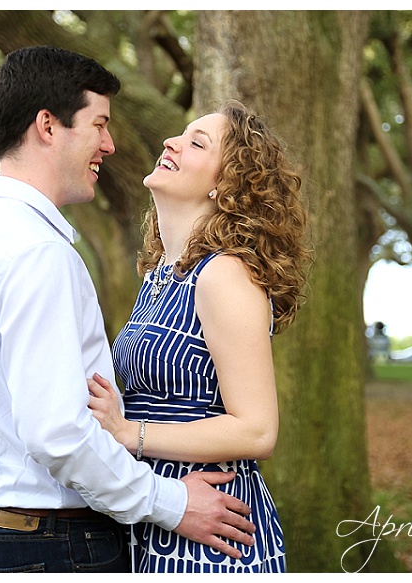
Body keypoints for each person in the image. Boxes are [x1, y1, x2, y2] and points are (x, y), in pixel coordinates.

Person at [0, 46, 256, 574]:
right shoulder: (38, 252)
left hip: (5, 530)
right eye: (99, 124)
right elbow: (56, 433)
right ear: (48, 126)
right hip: (54, 542)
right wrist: (171, 503)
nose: (109, 144)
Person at [87, 100, 312, 572]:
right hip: (157, 516)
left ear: (225, 185)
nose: (171, 142)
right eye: (180, 134)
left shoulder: (224, 274)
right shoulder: (161, 276)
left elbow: (257, 429)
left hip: (212, 533)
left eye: (196, 142)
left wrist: (129, 432)